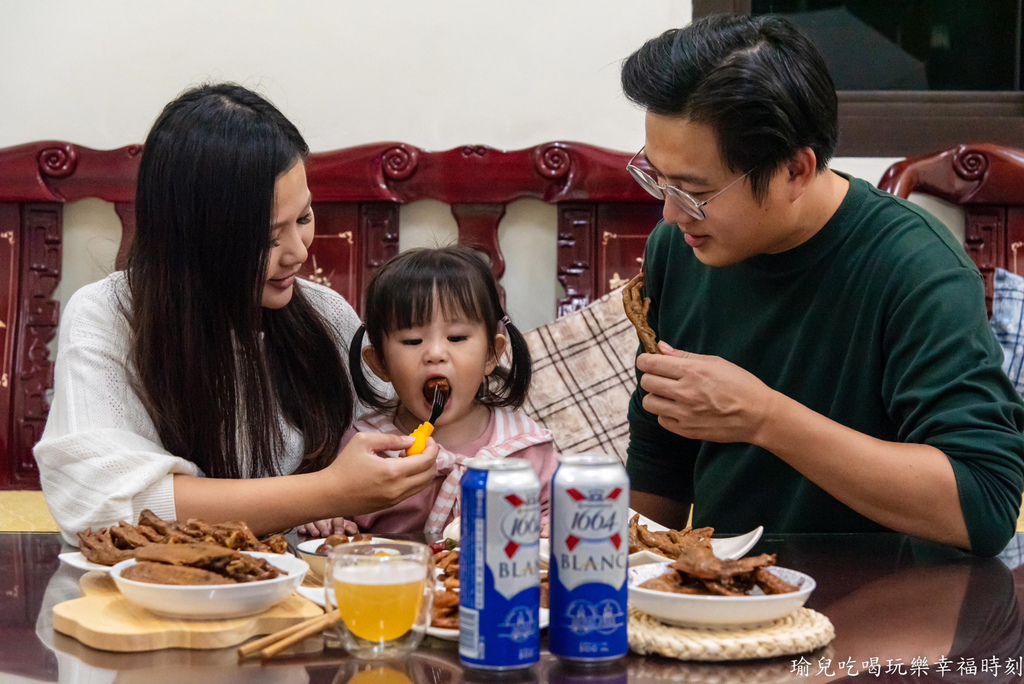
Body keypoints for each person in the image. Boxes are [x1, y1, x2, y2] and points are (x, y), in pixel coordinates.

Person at [620, 15, 1024, 556]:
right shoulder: (681, 245)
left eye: (695, 191)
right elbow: (659, 461)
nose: (670, 214)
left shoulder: (916, 269)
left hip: (895, 612)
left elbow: (985, 502)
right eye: (656, 179)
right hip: (726, 606)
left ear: (795, 170)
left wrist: (765, 417)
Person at [34, 83, 437, 544]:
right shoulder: (108, 317)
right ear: (190, 237)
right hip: (164, 598)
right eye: (267, 239)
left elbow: (390, 432)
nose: (297, 253)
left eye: (303, 218)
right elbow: (102, 506)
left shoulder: (324, 317)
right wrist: (328, 492)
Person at [303, 246, 558, 537]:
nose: (435, 353)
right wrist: (331, 523)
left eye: (457, 337)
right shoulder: (368, 447)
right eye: (412, 340)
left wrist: (549, 530)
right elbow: (332, 509)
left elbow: (559, 518)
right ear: (380, 363)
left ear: (491, 354)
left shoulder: (526, 446)